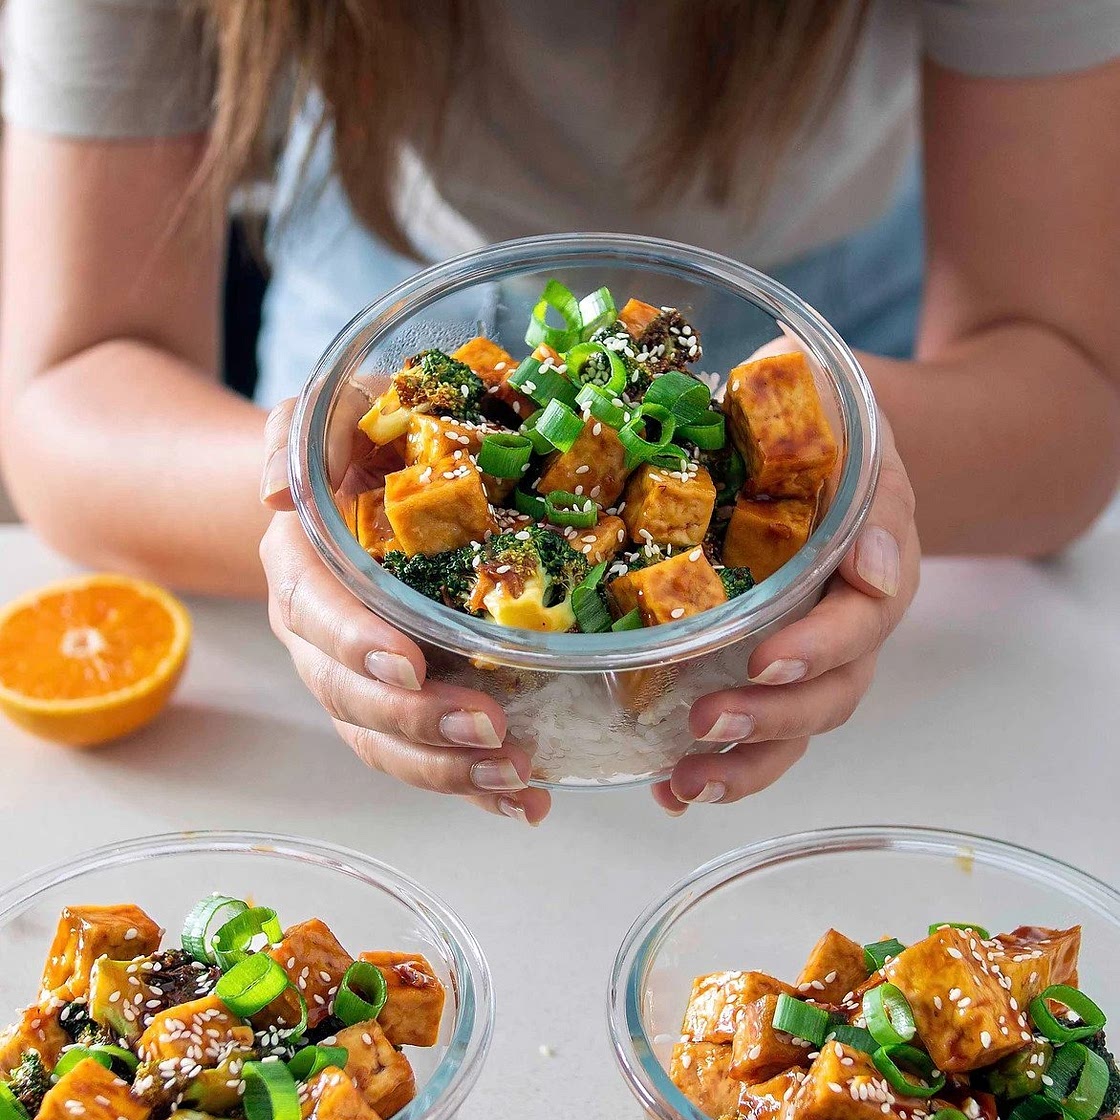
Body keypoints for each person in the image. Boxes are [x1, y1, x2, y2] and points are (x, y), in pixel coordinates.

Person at [1, 2, 1117, 825]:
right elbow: (75, 387)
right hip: (383, 312)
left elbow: (1069, 393)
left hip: (859, 309)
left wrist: (850, 458)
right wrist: (318, 507)